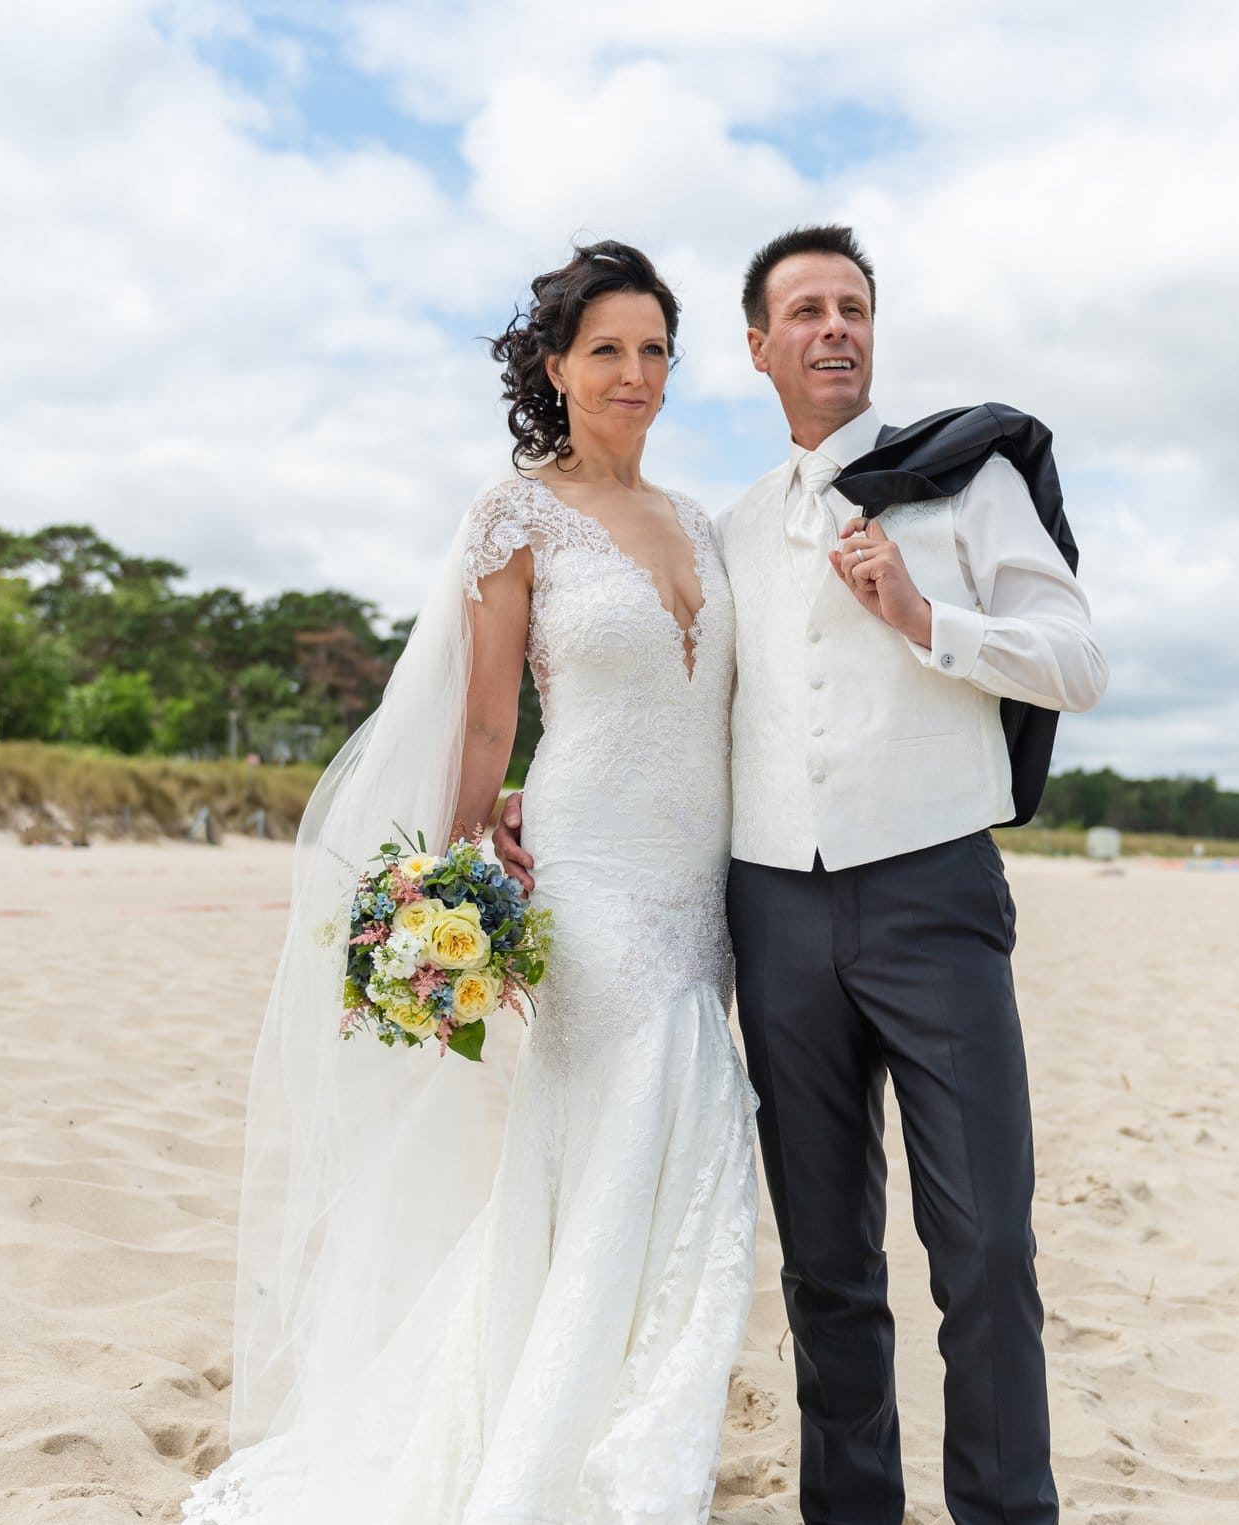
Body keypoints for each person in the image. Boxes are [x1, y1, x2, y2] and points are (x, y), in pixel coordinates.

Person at [496, 225, 1108, 1525]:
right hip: (770, 914)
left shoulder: (971, 481)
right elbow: (667, 707)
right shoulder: (724, 530)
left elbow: (1077, 664)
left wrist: (926, 618)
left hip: (935, 897)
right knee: (825, 1264)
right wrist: (532, 798)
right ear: (759, 348)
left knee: (986, 1245)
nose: (834, 328)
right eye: (807, 312)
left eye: (853, 309)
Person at [182, 240, 757, 1525]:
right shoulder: (516, 515)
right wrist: (453, 885)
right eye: (606, 349)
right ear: (554, 367)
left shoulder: (701, 523)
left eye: (655, 349)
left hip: (698, 883)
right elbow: (487, 718)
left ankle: (600, 1428)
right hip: (586, 875)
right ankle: (588, 1463)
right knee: (655, 1119)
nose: (634, 372)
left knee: (659, 1152)